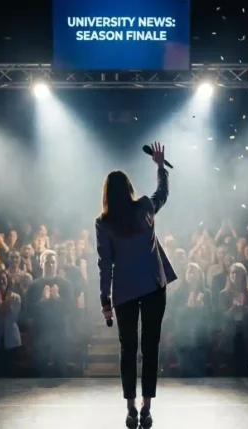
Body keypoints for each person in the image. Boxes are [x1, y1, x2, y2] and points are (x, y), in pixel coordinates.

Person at [96, 142, 177, 428]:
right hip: (154, 286)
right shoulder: (144, 207)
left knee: (128, 349)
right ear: (129, 188)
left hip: (125, 291)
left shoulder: (103, 223)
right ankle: (147, 407)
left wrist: (105, 300)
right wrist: (159, 167)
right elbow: (162, 194)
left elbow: (105, 265)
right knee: (150, 347)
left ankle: (130, 407)